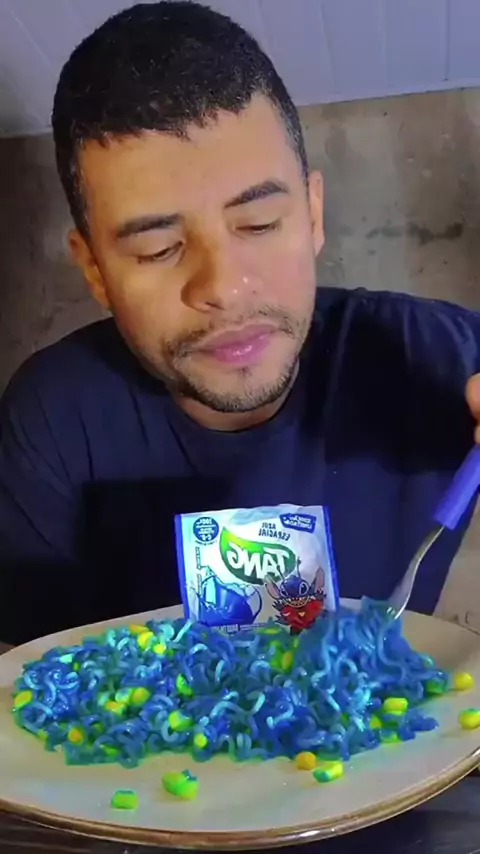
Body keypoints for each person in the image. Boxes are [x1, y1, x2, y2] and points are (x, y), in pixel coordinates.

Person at [1, 1, 480, 646]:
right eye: (158, 250)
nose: (224, 289)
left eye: (258, 224)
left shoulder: (439, 359)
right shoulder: (51, 421)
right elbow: (34, 670)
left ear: (312, 215)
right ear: (94, 269)